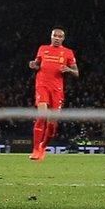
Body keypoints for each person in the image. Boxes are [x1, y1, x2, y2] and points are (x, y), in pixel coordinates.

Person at [28, 27, 79, 161]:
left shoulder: (67, 52)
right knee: (41, 117)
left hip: (57, 90)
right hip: (42, 86)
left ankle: (43, 146)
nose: (57, 38)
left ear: (63, 38)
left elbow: (76, 73)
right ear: (51, 37)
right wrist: (34, 65)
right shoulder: (42, 49)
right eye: (55, 36)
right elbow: (38, 65)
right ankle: (35, 149)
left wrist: (68, 69)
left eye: (60, 36)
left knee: (52, 124)